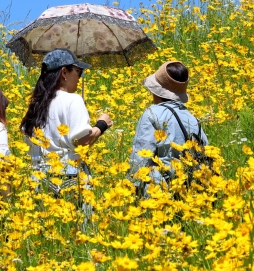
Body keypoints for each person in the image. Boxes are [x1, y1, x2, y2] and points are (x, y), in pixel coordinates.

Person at [19, 48, 113, 193]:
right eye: (78, 71)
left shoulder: (36, 105)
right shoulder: (73, 100)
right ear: (64, 72)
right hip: (67, 177)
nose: (80, 77)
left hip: (39, 181)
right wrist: (101, 125)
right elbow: (82, 142)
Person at [129, 61, 211, 196]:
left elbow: (141, 157)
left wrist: (130, 189)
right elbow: (205, 152)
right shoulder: (192, 118)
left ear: (156, 90)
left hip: (159, 193)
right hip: (190, 192)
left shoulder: (152, 114)